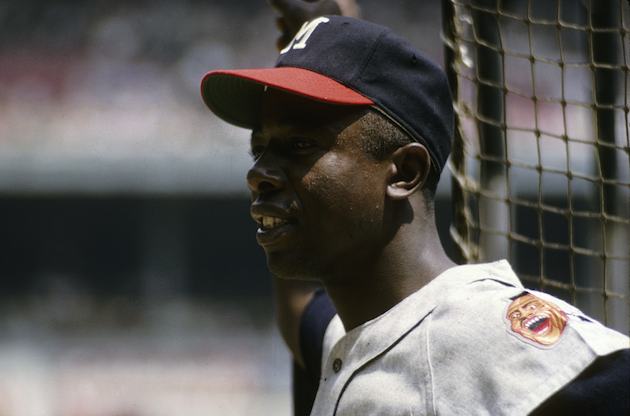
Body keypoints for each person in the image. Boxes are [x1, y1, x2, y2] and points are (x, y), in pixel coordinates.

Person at [200, 1, 630, 414]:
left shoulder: (488, 332)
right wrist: (318, 39)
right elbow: (298, 308)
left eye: (298, 145)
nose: (259, 174)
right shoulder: (352, 337)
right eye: (260, 149)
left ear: (404, 171)